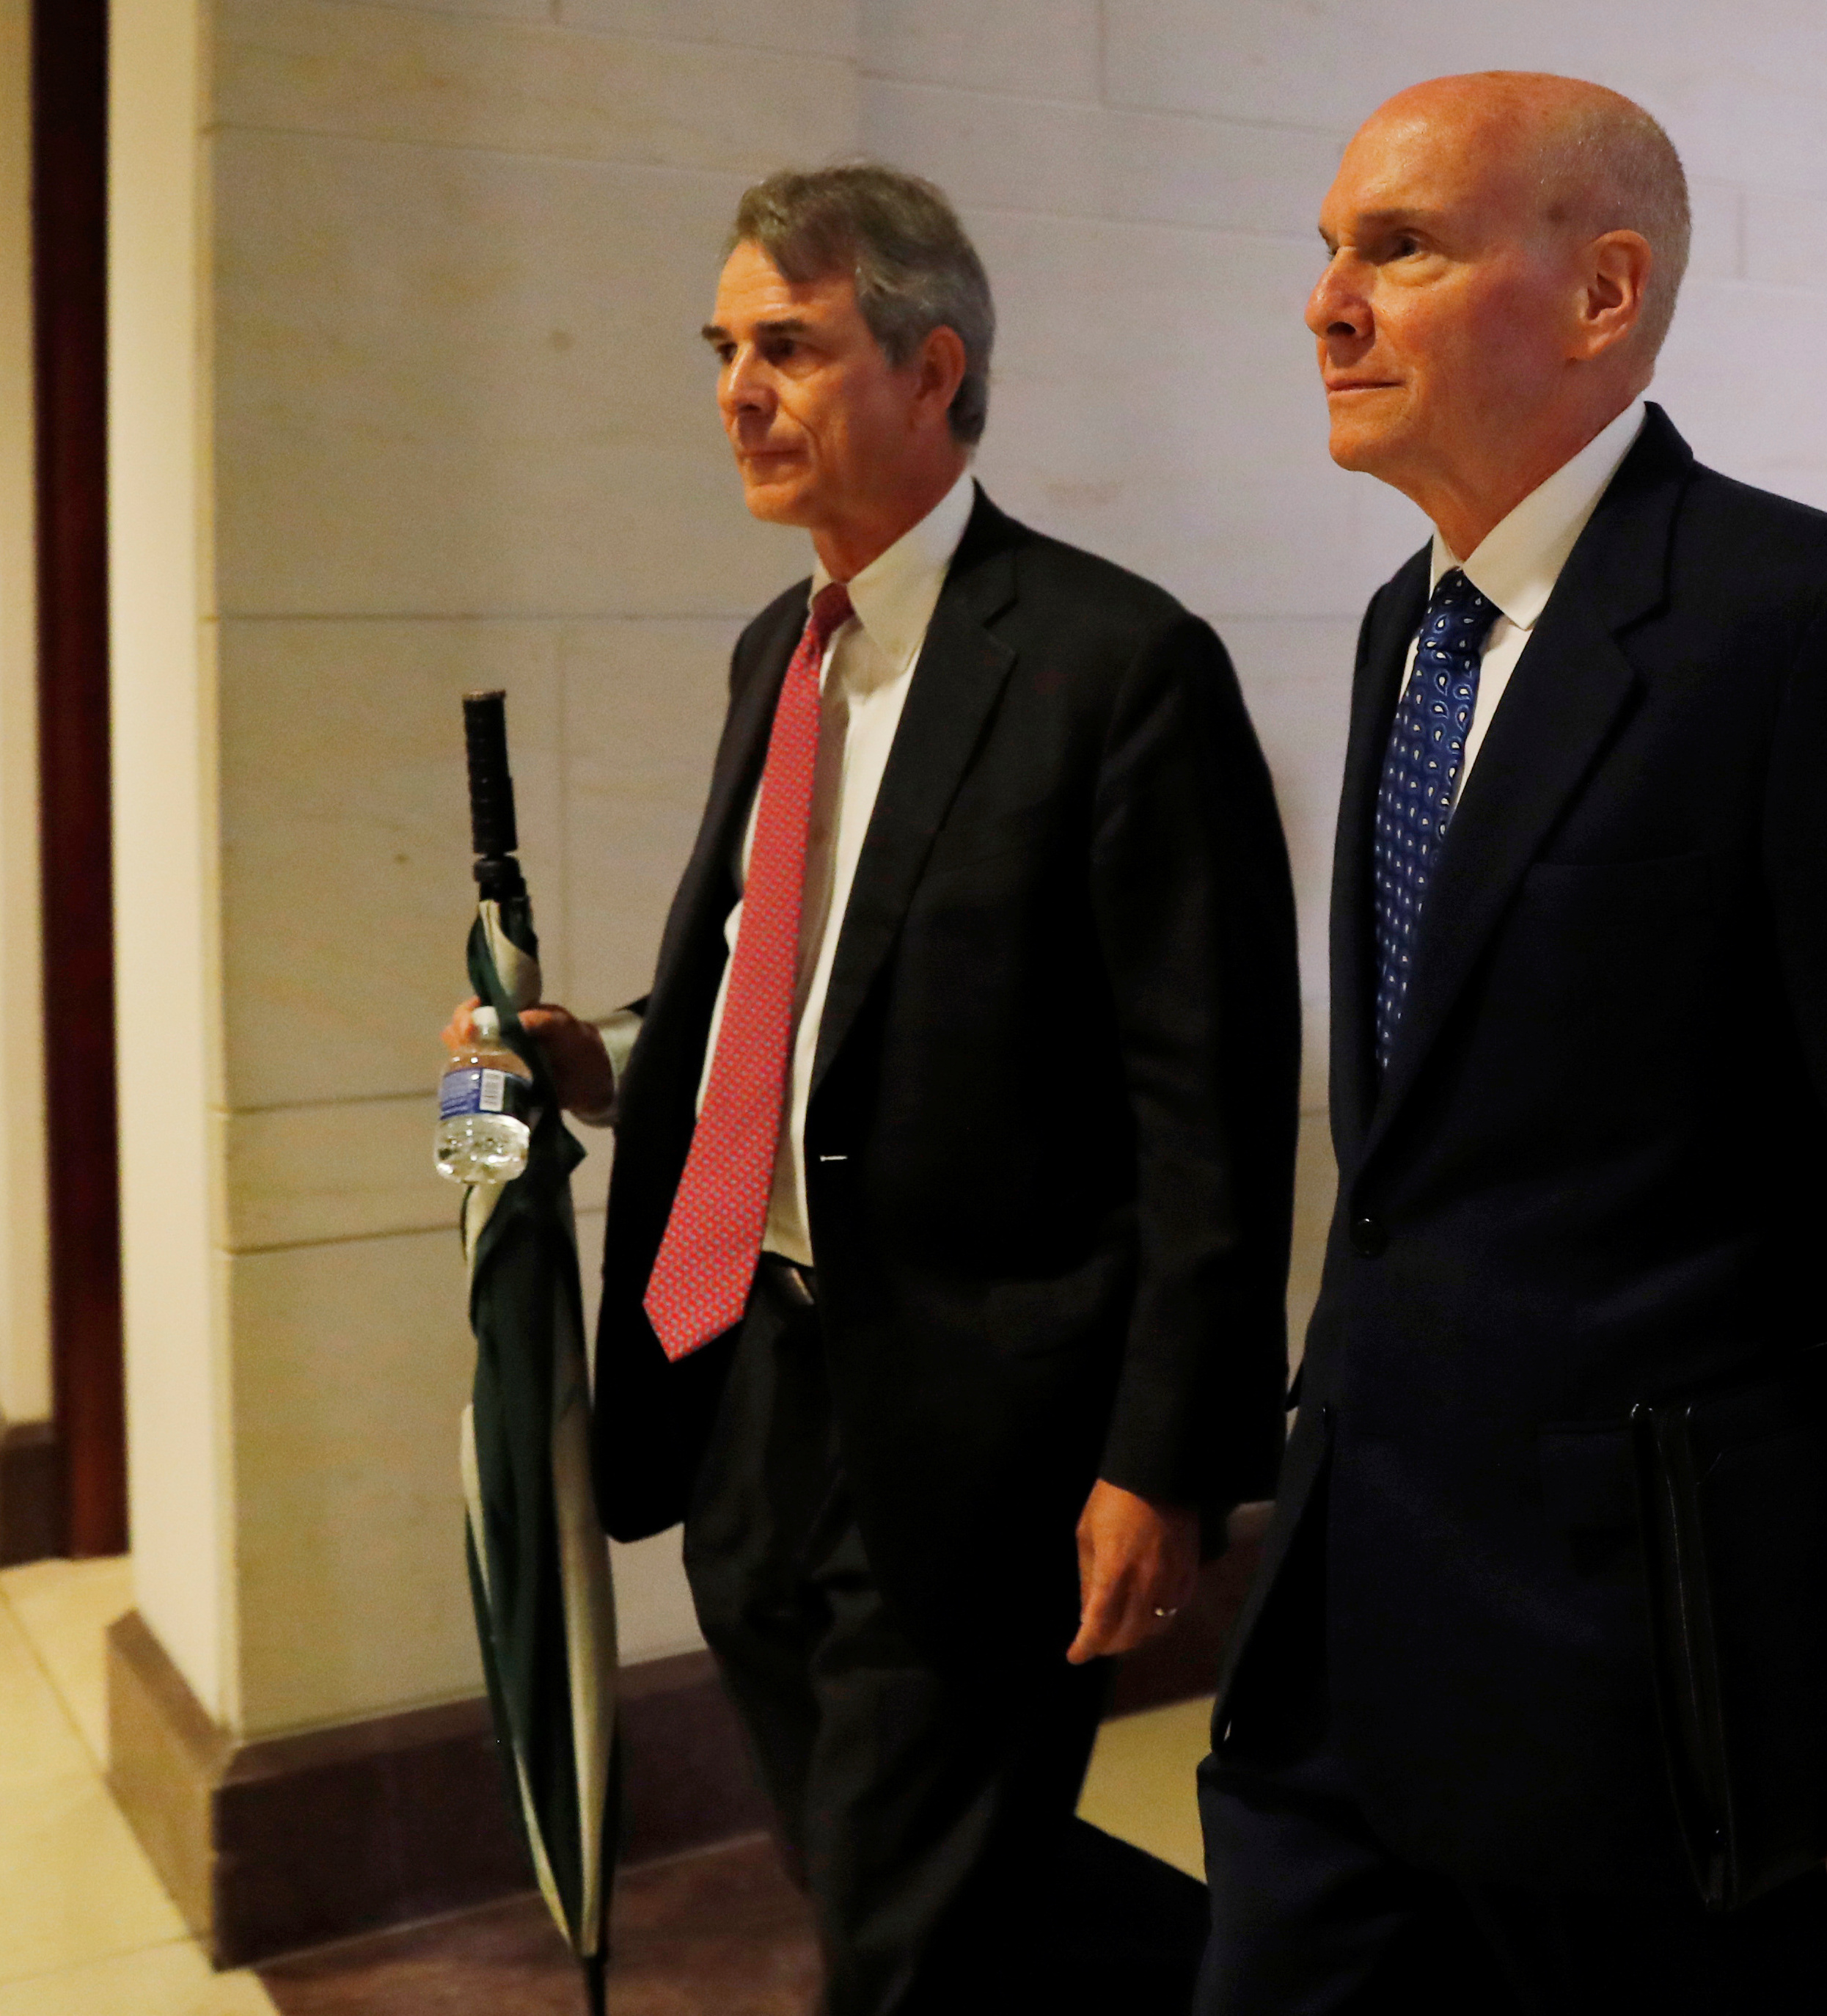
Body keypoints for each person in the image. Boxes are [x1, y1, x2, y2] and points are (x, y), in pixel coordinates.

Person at [1193, 74, 1827, 2015]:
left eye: (1400, 247)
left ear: (1602, 293)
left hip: (1647, 1660)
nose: (1327, 303)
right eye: (1330, 250)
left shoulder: (1804, 625)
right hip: (1355, 1628)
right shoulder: (1406, 622)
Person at [445, 164, 1300, 2013]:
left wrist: (1161, 1454)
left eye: (790, 347)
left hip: (988, 1418)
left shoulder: (1114, 664)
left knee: (908, 1929)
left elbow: (1207, 1113)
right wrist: (600, 1065)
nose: (738, 389)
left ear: (929, 369)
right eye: (726, 349)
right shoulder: (785, 645)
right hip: (750, 1377)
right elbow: (802, 980)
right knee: (878, 1866)